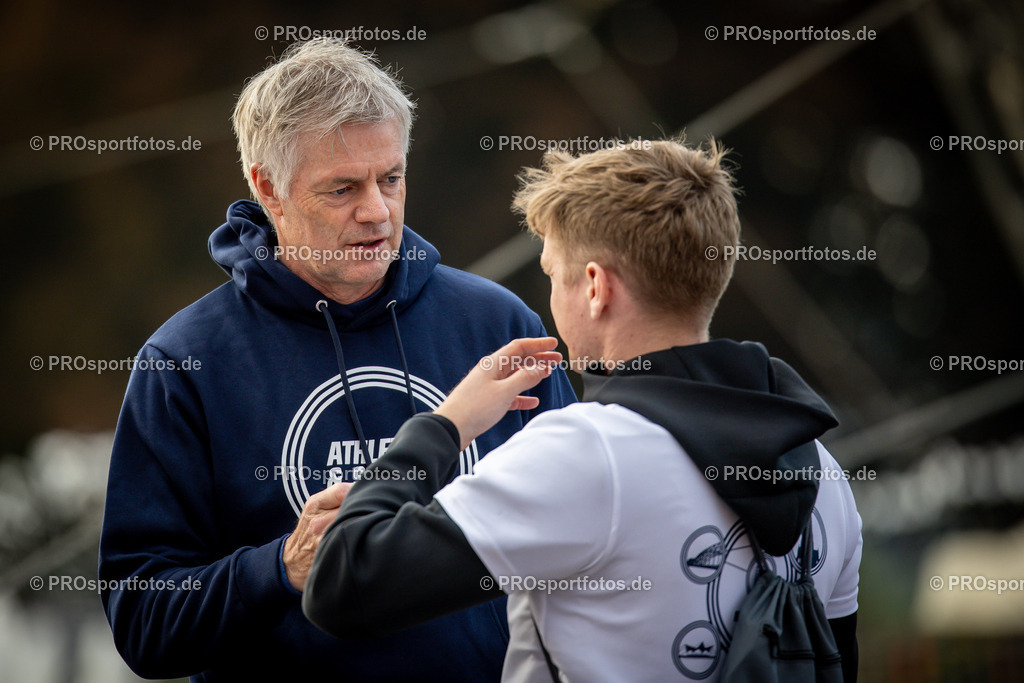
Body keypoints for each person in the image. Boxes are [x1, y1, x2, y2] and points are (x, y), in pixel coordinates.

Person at [98, 39, 575, 682]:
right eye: (343, 188)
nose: (377, 211)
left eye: (391, 179)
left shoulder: (498, 328)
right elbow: (144, 623)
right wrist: (280, 568)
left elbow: (581, 543)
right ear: (269, 189)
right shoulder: (183, 363)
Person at [303, 139, 863, 681]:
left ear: (595, 287)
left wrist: (446, 424)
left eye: (552, 273)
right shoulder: (825, 473)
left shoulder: (583, 452)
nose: (551, 296)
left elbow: (343, 582)